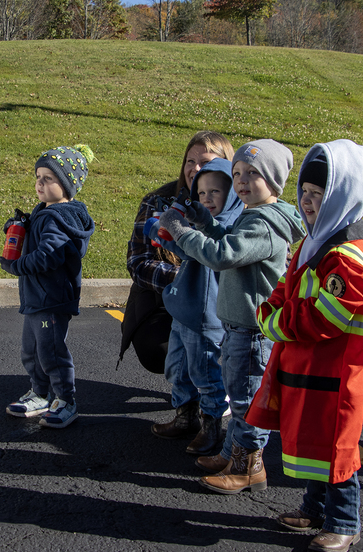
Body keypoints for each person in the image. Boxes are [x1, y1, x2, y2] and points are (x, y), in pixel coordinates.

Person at [247, 139, 363, 552]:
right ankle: (313, 506)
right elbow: (286, 288)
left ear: (342, 197)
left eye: (317, 195)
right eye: (304, 193)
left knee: (336, 444)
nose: (306, 202)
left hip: (338, 374)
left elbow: (325, 317)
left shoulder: (349, 258)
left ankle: (344, 520)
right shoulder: (314, 242)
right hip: (309, 366)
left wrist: (273, 321)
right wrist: (273, 310)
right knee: (308, 437)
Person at [157, 139, 305, 494]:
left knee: (247, 400)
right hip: (240, 325)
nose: (241, 180)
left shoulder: (265, 224)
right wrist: (205, 221)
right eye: (237, 172)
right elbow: (229, 239)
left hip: (252, 330)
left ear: (273, 181)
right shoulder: (256, 216)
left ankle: (248, 466)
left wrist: (180, 231)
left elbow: (224, 254)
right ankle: (230, 453)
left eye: (253, 173)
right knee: (240, 396)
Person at [120, 130, 234, 386]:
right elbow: (138, 262)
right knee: (159, 349)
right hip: (167, 298)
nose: (195, 169)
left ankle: (221, 386)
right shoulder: (159, 202)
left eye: (205, 162)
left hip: (226, 303)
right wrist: (191, 280)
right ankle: (189, 396)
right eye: (190, 161)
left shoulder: (245, 206)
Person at [150, 158, 244, 455]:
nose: (207, 199)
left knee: (206, 374)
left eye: (215, 192)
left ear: (232, 194)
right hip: (184, 309)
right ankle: (185, 416)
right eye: (201, 193)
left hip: (207, 318)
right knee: (177, 369)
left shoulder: (229, 229)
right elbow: (191, 253)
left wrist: (180, 233)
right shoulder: (201, 225)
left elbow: (209, 254)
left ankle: (211, 425)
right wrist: (161, 234)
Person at [0, 145, 96, 429]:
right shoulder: (46, 211)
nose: (39, 183)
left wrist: (15, 266)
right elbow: (38, 235)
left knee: (52, 353)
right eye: (38, 176)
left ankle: (66, 401)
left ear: (66, 185)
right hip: (37, 298)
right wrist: (21, 226)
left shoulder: (58, 218)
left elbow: (47, 255)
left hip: (51, 300)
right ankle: (40, 394)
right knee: (30, 351)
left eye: (48, 179)